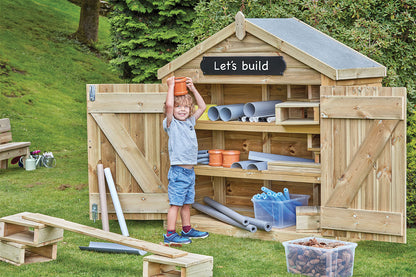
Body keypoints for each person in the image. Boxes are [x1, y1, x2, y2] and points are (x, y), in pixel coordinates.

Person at [162, 76, 209, 244]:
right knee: (176, 204)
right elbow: (168, 105)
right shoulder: (171, 124)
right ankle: (170, 234)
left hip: (190, 172)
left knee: (187, 203)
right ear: (172, 110)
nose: (182, 110)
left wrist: (193, 88)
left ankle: (187, 229)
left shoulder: (190, 122)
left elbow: (202, 107)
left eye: (186, 107)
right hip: (178, 172)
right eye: (178, 107)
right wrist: (171, 86)